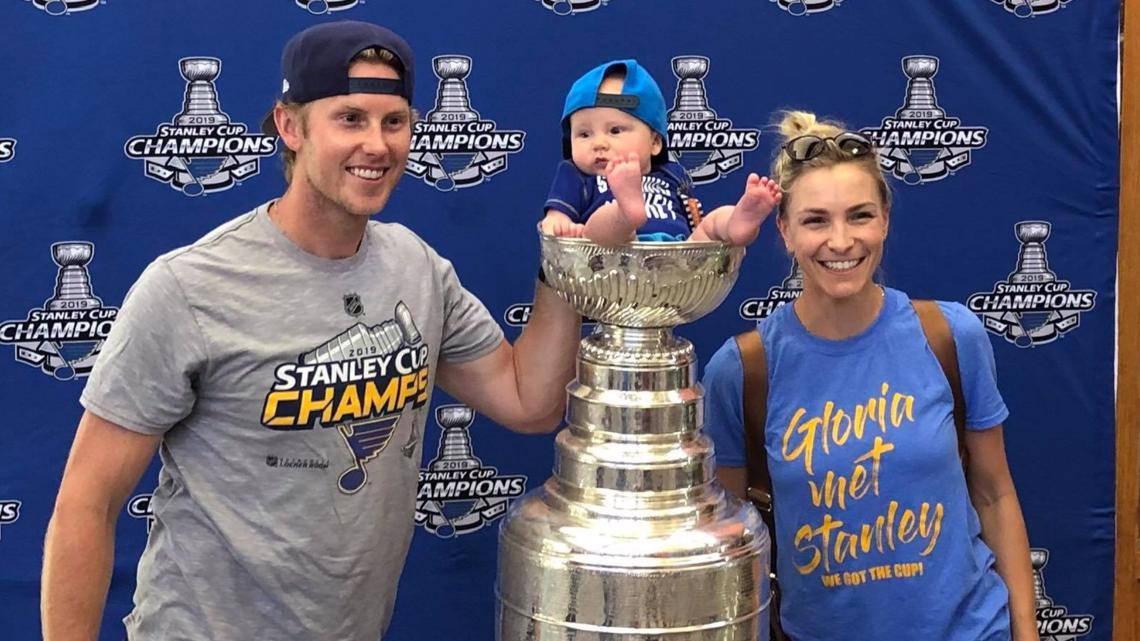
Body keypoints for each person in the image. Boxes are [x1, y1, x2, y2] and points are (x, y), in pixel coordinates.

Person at [40, 21, 581, 641]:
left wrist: (565, 258)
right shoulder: (189, 288)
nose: (376, 145)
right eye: (349, 119)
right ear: (290, 127)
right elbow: (87, 503)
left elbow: (529, 401)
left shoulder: (416, 269)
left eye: (394, 121)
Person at [701, 111, 1039, 641]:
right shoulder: (743, 370)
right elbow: (730, 546)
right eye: (816, 220)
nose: (841, 241)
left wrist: (1027, 633)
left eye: (859, 216)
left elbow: (996, 495)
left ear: (885, 220)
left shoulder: (950, 336)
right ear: (785, 230)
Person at [540, 59, 781, 245]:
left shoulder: (672, 173)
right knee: (599, 229)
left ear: (656, 142)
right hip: (615, 256)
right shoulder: (576, 175)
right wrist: (560, 224)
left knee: (712, 224)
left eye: (615, 130)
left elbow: (690, 216)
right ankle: (625, 213)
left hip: (676, 254)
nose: (598, 143)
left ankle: (739, 220)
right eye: (584, 134)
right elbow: (554, 218)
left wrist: (706, 230)